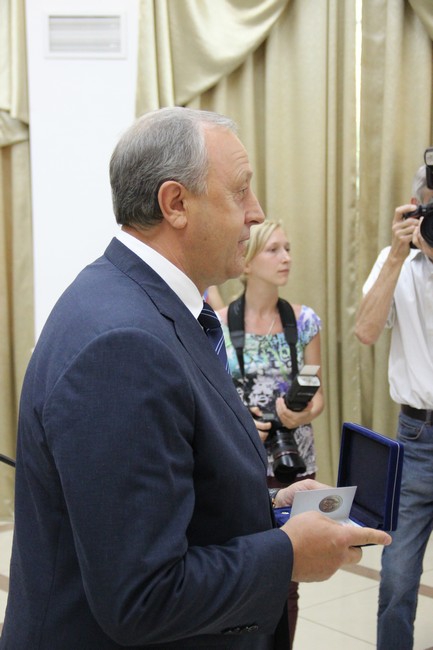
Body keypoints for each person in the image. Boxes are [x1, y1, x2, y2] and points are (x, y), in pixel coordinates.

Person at [1, 107, 391, 650]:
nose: (256, 213)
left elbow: (166, 494)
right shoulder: (123, 345)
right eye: (240, 191)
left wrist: (268, 510)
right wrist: (287, 554)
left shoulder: (141, 303)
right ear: (176, 204)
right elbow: (142, 595)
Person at [218, 219, 324, 646]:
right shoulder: (218, 324)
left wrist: (302, 415)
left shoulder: (305, 321)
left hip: (294, 461)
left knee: (289, 576)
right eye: (273, 250)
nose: (286, 259)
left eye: (288, 248)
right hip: (239, 463)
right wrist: (241, 422)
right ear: (246, 262)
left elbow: (317, 393)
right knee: (242, 569)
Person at [355, 164, 433, 650]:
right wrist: (398, 257)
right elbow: (365, 331)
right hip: (417, 439)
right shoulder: (393, 260)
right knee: (398, 577)